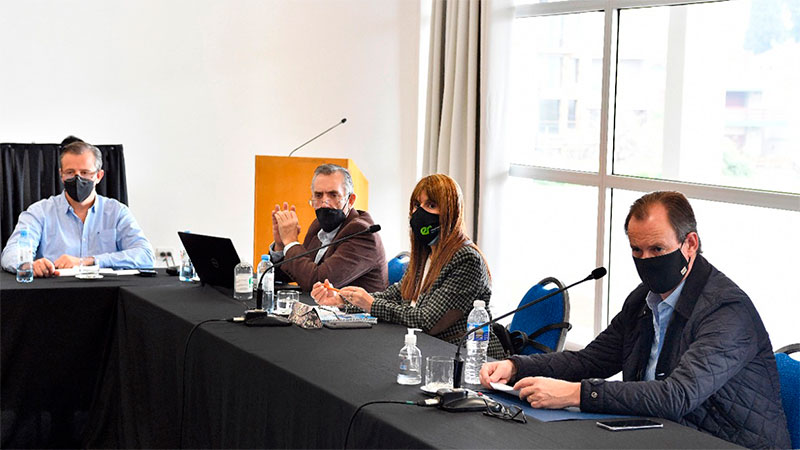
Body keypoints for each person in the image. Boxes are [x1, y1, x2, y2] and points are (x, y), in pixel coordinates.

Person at [479, 191, 790, 449]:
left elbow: (677, 396)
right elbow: (591, 360)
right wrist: (517, 367)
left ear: (690, 244)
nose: (647, 261)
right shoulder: (643, 300)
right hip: (661, 435)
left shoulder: (727, 311)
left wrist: (574, 394)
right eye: (637, 250)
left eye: (657, 249)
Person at [311, 174, 504, 359]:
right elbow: (396, 295)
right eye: (417, 205)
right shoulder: (426, 253)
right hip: (426, 349)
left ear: (450, 212)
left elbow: (428, 321)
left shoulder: (466, 259)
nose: (419, 213)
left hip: (467, 358)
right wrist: (343, 300)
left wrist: (371, 305)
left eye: (431, 205)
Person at [1, 140, 155, 276]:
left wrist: (89, 261)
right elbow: (10, 254)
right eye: (70, 172)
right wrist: (28, 265)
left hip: (107, 292)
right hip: (53, 292)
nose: (77, 178)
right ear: (61, 175)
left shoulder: (117, 212)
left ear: (99, 176)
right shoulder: (39, 212)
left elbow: (145, 255)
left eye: (85, 173)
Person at [270, 163, 387, 292]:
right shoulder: (317, 226)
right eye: (318, 195)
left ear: (350, 200)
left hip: (352, 306)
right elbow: (294, 272)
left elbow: (318, 284)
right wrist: (281, 245)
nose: (324, 204)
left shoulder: (362, 233)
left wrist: (291, 242)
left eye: (333, 195)